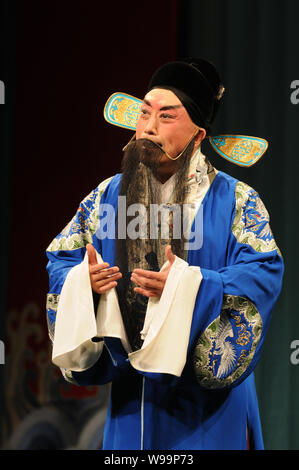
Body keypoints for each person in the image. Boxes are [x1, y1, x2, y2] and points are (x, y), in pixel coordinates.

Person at [46, 58, 284, 450]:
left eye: (167, 117)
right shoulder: (106, 198)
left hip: (208, 411)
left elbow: (262, 272)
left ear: (197, 135)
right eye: (144, 113)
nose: (149, 127)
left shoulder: (237, 201)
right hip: (130, 401)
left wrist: (187, 288)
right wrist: (81, 284)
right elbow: (62, 259)